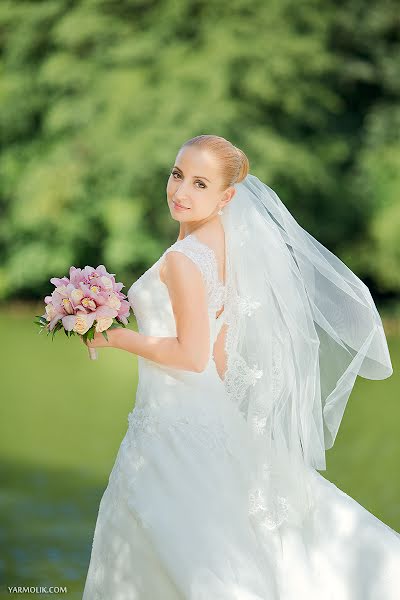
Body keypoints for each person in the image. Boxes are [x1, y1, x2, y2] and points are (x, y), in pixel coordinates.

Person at [82, 134, 400, 599]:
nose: (181, 192)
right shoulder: (220, 246)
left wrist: (116, 336)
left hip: (172, 422)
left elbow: (190, 356)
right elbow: (219, 351)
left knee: (185, 545)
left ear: (226, 196)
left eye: (200, 184)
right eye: (177, 175)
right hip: (200, 414)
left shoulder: (183, 259)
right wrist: (237, 426)